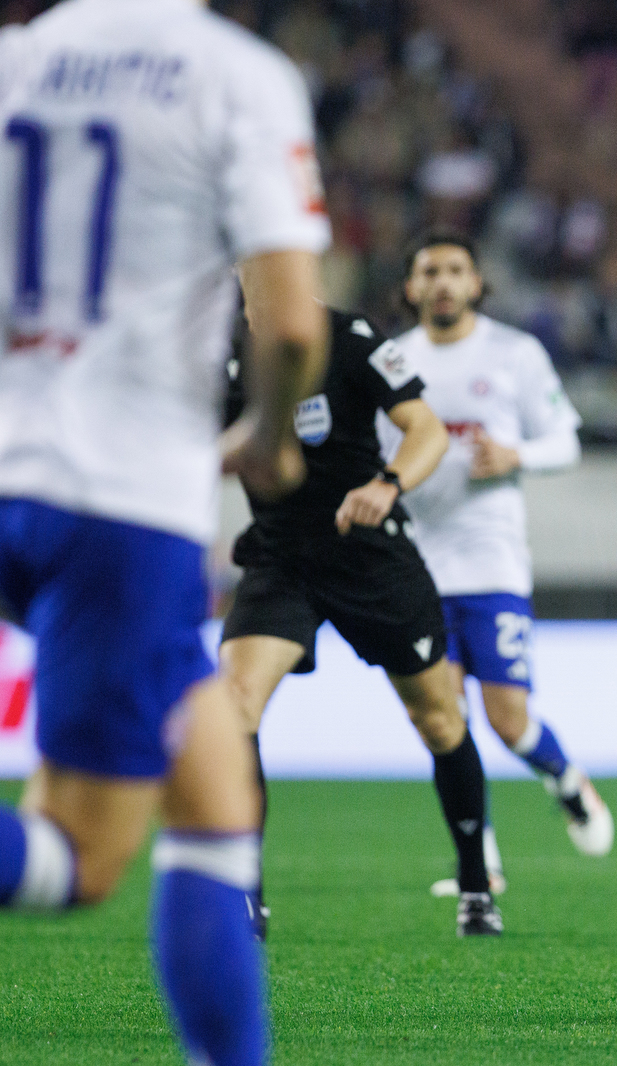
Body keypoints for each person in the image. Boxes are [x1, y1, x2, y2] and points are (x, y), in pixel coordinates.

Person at [0, 0, 330, 1060]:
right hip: (116, 503)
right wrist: (270, 439)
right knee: (83, 860)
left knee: (215, 776)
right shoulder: (233, 74)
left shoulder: (17, 60)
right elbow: (287, 323)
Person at [218, 305, 506, 938]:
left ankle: (477, 888)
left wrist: (388, 483)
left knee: (438, 718)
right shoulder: (214, 347)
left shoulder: (348, 338)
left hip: (369, 551)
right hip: (279, 556)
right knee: (234, 704)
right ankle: (244, 900)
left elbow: (424, 428)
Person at [388, 234, 612, 899]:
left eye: (456, 270)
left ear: (477, 282)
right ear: (411, 287)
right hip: (419, 571)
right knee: (444, 722)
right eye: (429, 271)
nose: (443, 282)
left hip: (493, 567)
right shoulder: (392, 360)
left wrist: (515, 455)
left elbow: (565, 441)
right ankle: (478, 863)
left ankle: (568, 782)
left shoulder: (514, 354)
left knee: (508, 720)